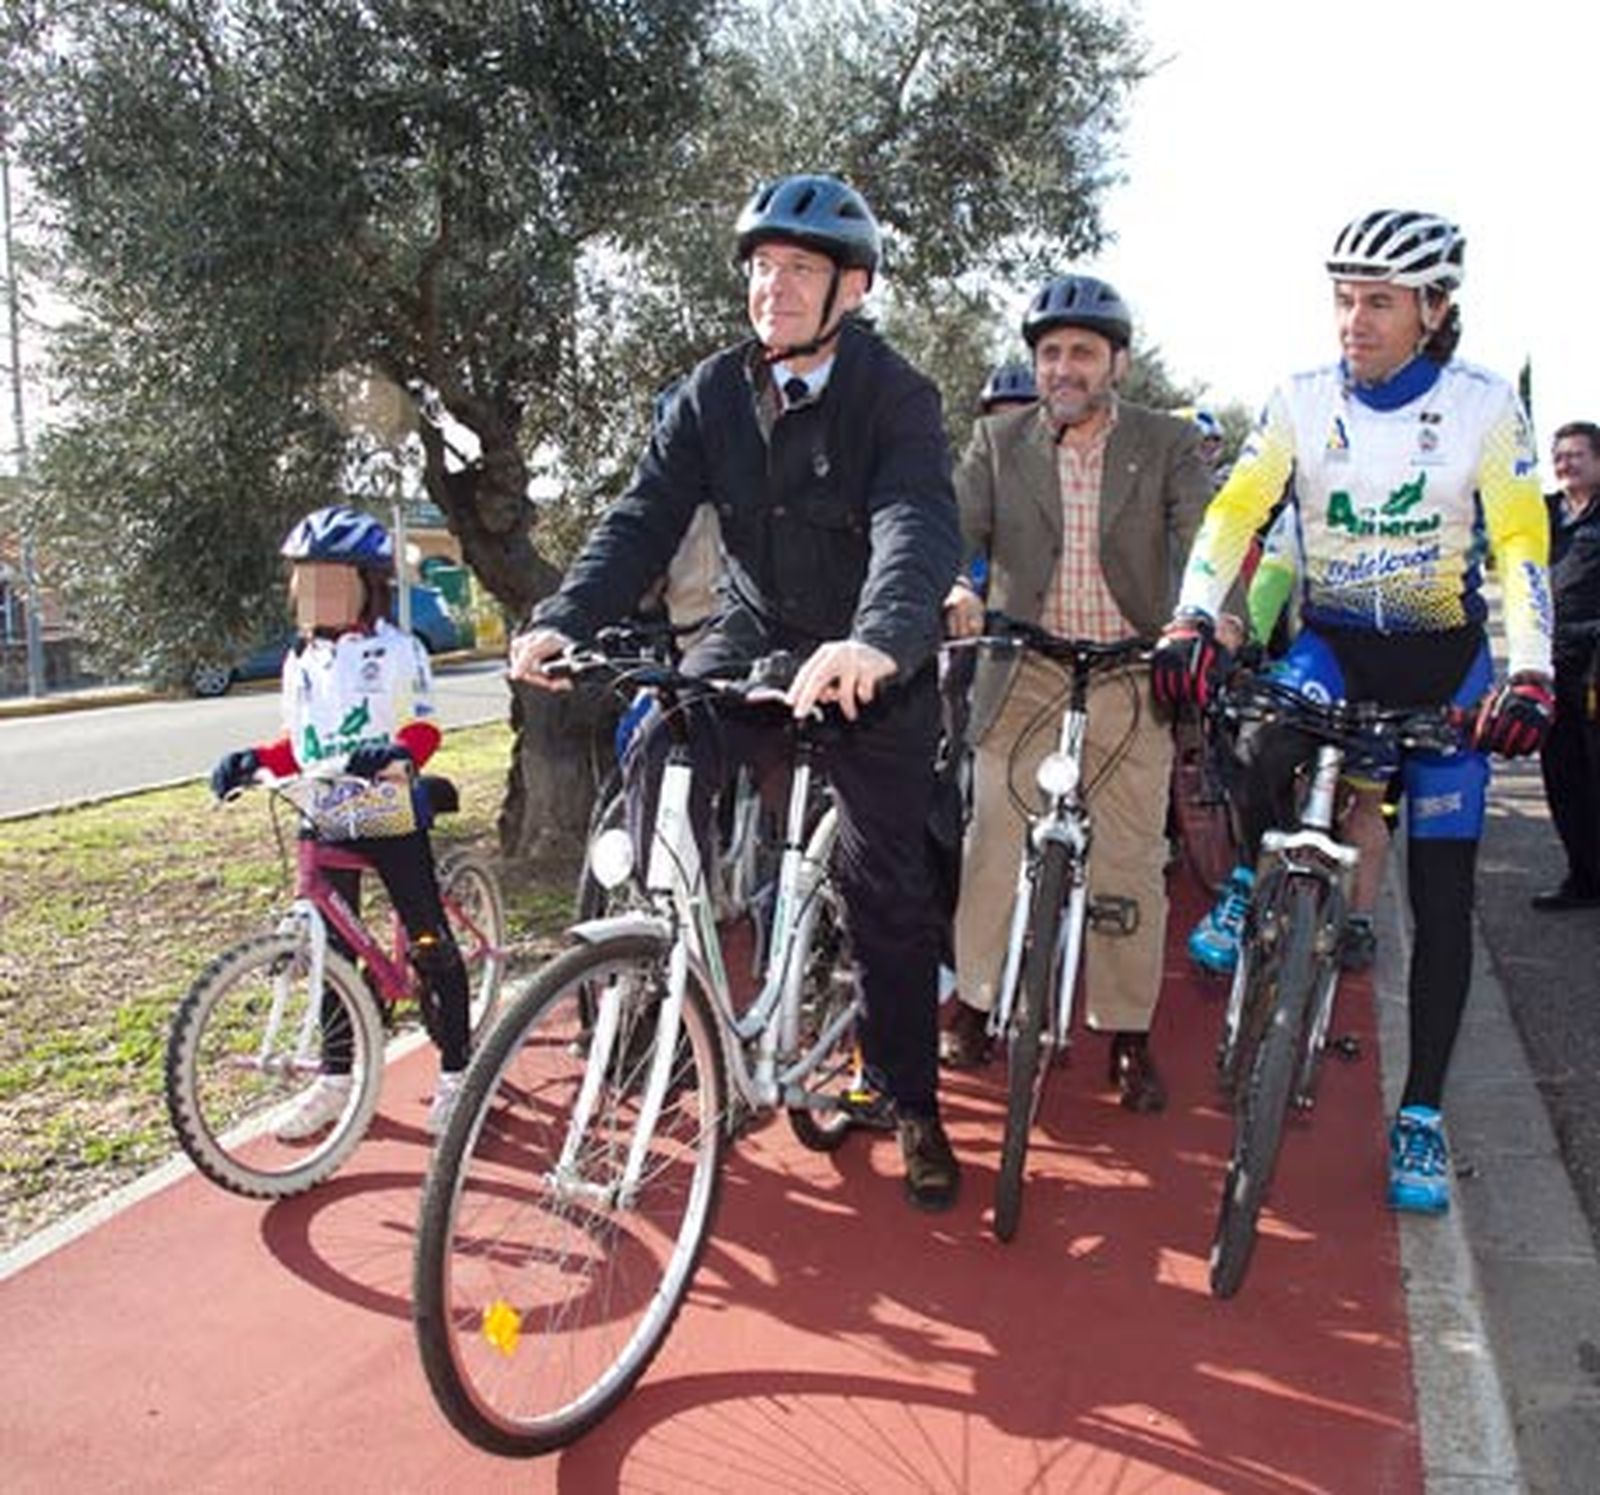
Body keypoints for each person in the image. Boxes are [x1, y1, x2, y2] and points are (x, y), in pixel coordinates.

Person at [507, 173, 964, 1212]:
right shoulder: (711, 391)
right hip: (754, 635)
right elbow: (642, 517)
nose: (774, 289)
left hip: (866, 662)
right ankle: (663, 965)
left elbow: (915, 527)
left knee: (880, 880)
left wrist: (881, 642)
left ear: (851, 287)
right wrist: (564, 618)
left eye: (799, 270)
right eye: (760, 270)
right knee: (661, 742)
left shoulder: (895, 395)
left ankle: (911, 1098)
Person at [1152, 208, 1553, 1214]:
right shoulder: (1297, 399)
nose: (1352, 320)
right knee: (1253, 738)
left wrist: (1531, 673)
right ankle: (1246, 880)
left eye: (1377, 300)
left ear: (1434, 308)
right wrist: (1194, 616)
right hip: (1333, 642)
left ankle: (1418, 1115)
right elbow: (1236, 508)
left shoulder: (1484, 405)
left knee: (1444, 889)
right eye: (1341, 298)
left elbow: (1518, 543)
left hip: (1444, 667)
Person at [940, 273, 1214, 1112]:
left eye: (1082, 353)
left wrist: (1206, 621)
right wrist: (955, 582)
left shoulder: (1167, 443)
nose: (1063, 368)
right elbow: (953, 525)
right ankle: (976, 1003)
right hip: (1027, 666)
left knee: (1130, 857)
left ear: (1117, 363)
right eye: (1050, 352)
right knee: (993, 834)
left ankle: (1126, 1034)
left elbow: (1207, 537)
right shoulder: (1000, 443)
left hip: (1134, 668)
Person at [209, 506, 471, 1137]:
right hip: (322, 808)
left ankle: (459, 1073)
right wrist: (256, 759)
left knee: (428, 937)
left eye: (327, 578)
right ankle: (334, 1079)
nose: (311, 591)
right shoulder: (301, 660)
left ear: (365, 583)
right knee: (330, 952)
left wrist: (400, 753)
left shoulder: (398, 647)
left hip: (384, 808)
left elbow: (423, 725)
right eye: (304, 579)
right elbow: (297, 742)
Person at [1187, 505, 1390, 975]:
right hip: (1316, 661)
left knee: (1366, 802)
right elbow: (1272, 580)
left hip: (1392, 671)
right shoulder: (1306, 510)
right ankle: (1247, 876)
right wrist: (1244, 643)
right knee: (1255, 755)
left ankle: (1358, 919)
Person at [1532, 421, 1600, 910]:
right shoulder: (1545, 513)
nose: (1565, 463)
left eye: (1576, 455)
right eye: (1559, 456)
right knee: (1562, 775)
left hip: (1597, 661)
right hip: (1554, 664)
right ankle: (1583, 879)